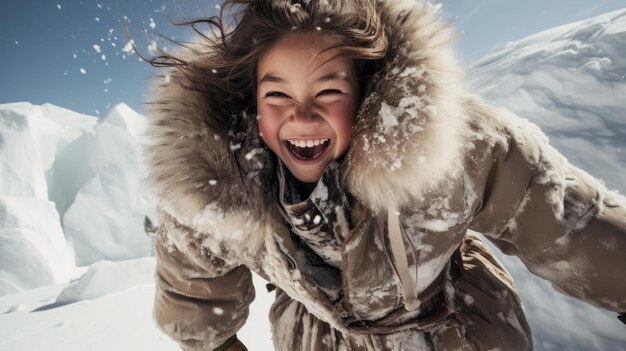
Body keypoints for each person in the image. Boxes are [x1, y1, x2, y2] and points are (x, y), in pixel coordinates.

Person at [141, 0, 626, 350]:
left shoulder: (456, 145)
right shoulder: (215, 190)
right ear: (251, 109)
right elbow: (192, 283)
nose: (303, 116)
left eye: (328, 90)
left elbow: (568, 223)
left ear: (367, 92)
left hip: (458, 326)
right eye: (277, 96)